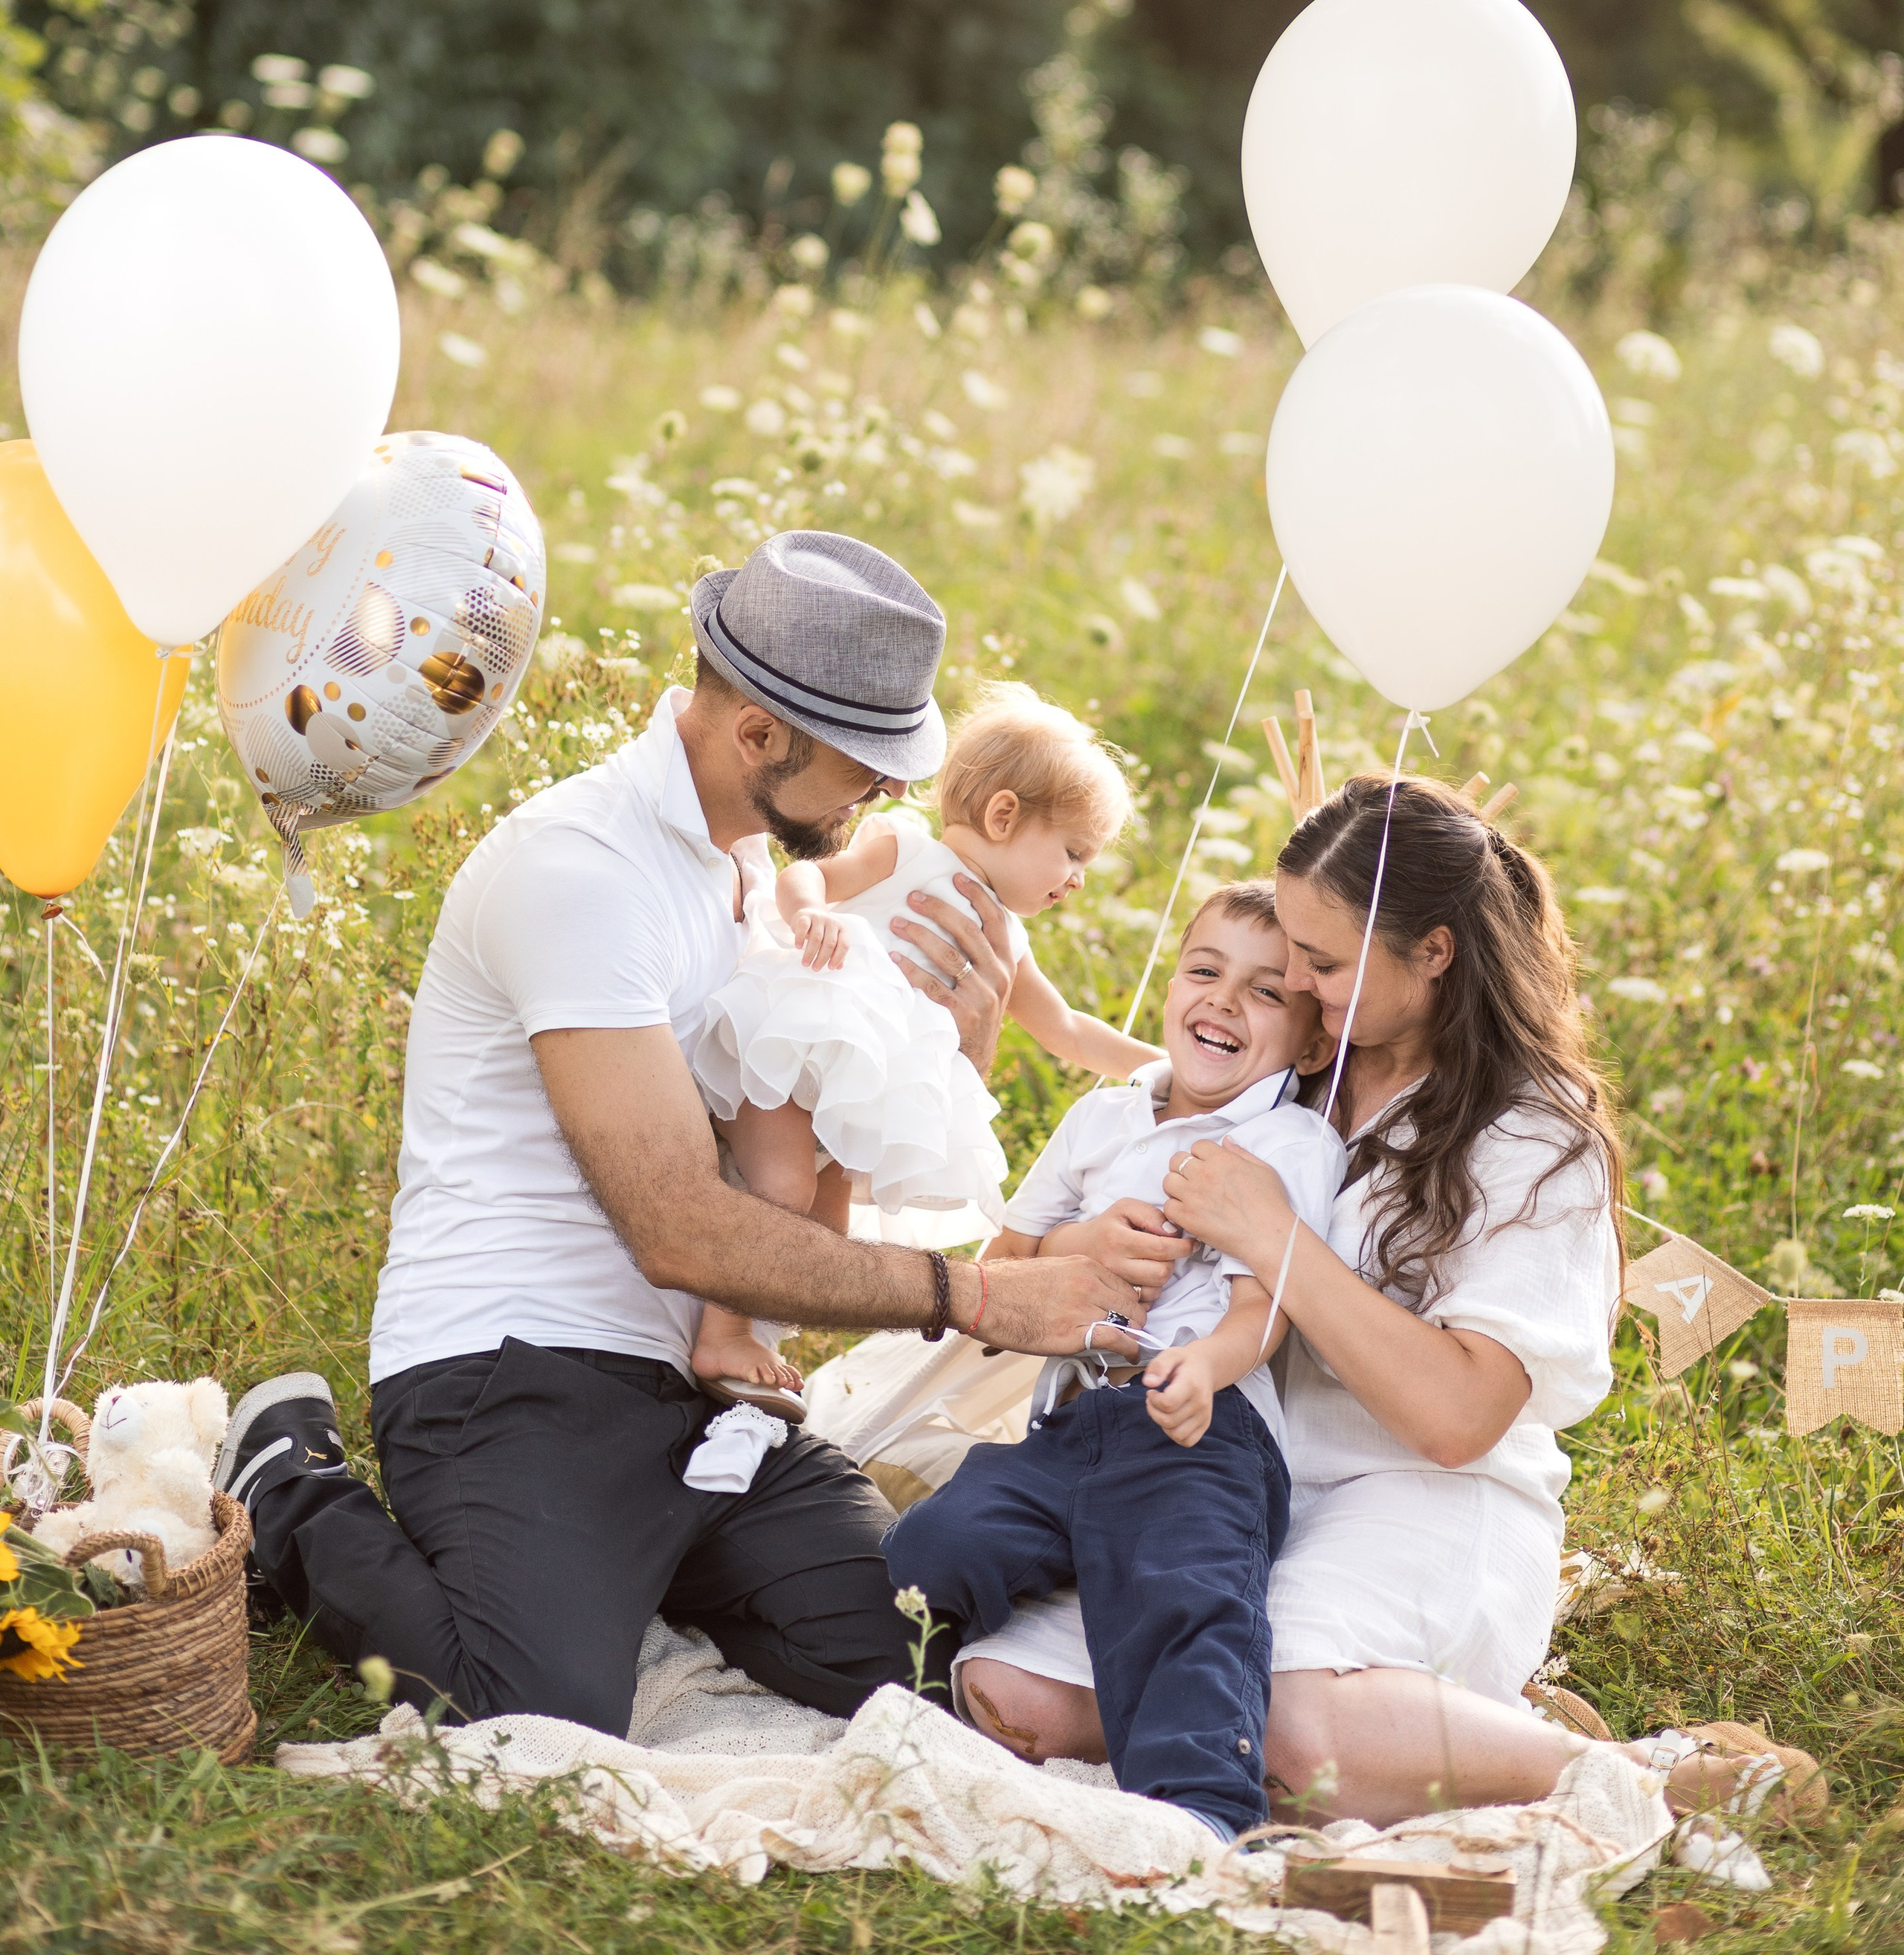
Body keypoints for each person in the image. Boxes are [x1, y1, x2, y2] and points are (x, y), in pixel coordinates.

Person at [210, 532, 1145, 1738]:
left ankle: (638, 1578)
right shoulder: (584, 870)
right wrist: (984, 1298)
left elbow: (799, 1209)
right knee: (532, 1712)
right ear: (759, 731)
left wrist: (949, 1047)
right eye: (868, 763)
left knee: (917, 1665)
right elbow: (678, 1225)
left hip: (702, 1393)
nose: (894, 795)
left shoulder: (768, 872)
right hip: (513, 1367)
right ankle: (284, 1476)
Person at [953, 776, 1824, 1827]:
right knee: (1012, 1699)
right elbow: (1148, 1129)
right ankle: (1442, 1725)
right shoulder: (1307, 1063)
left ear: (1435, 953)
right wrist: (1074, 1241)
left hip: (1422, 1496)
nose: (1302, 985)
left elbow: (1459, 1420)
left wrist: (1277, 1239)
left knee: (1287, 1735)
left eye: (1323, 961)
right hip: (1238, 1480)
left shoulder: (1534, 1137)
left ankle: (1636, 1772)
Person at [887, 883, 1345, 1840]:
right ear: (1172, 981)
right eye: (1205, 970)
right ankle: (907, 1732)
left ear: (1308, 1044)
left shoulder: (1285, 1139)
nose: (1222, 1000)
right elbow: (999, 1276)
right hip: (1066, 1426)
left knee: (1185, 1592)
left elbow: (1268, 1308)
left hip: (1199, 1427)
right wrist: (1081, 1246)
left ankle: (1201, 1819)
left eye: (1265, 993)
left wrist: (1207, 1366)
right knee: (933, 1550)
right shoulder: (1103, 1119)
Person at [689, 683, 1162, 1403]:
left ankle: (758, 1323)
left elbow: (1062, 1025)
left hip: (859, 1092)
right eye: (1071, 851)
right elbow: (810, 873)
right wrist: (812, 911)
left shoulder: (1008, 931)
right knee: (781, 1186)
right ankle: (720, 1333)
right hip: (800, 1045)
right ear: (1003, 814)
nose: (1078, 877)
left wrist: (1163, 1064)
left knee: (829, 1234)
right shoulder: (904, 848)